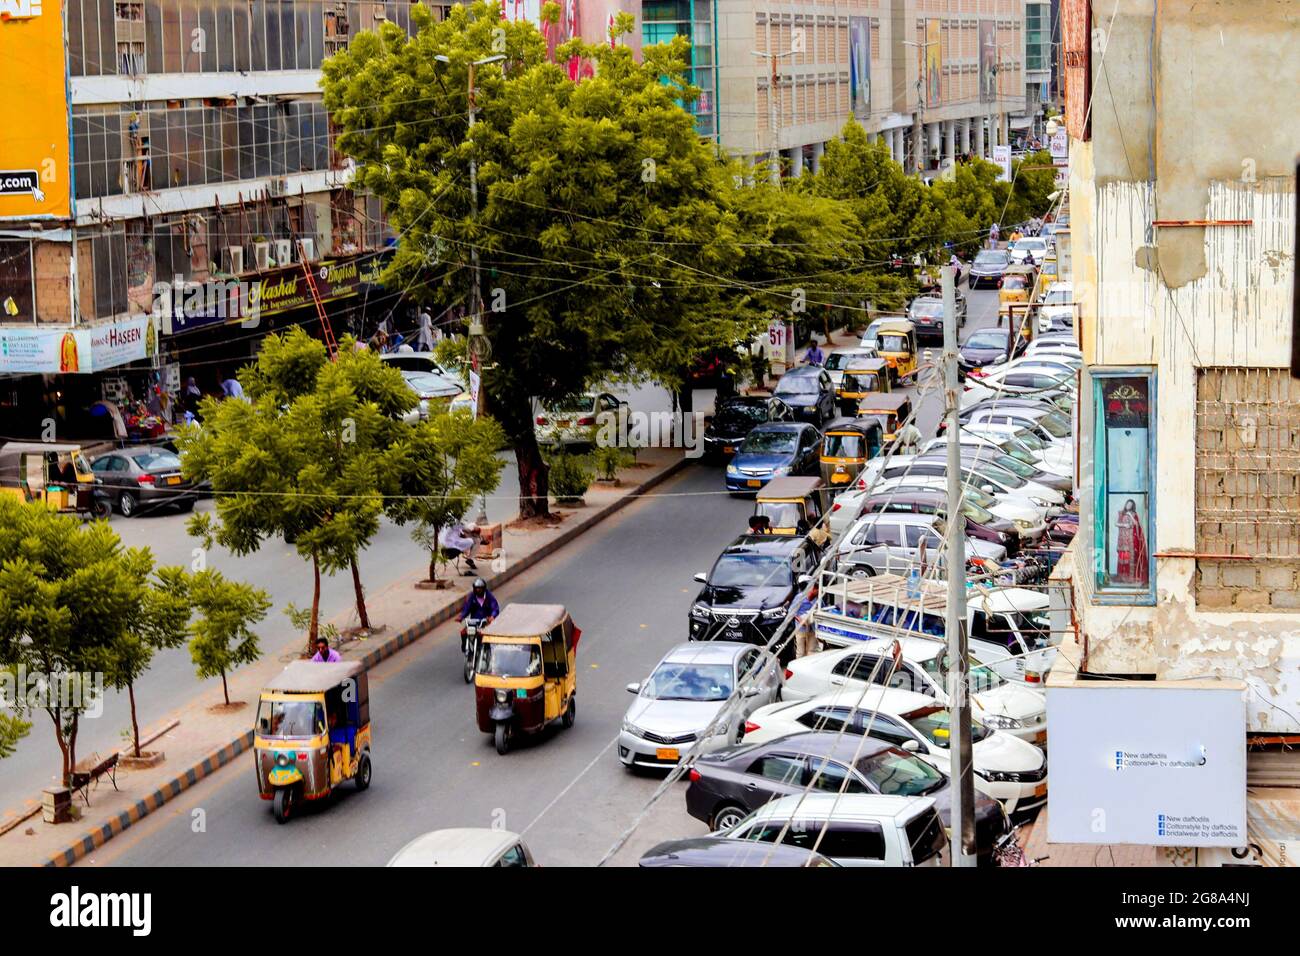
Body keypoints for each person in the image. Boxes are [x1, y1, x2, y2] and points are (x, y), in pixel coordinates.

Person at [457, 578, 499, 656]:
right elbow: (466, 608)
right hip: (474, 621)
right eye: (477, 588)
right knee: (463, 632)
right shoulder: (471, 597)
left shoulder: (489, 596)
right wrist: (461, 616)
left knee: (484, 636)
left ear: (484, 588)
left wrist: (492, 616)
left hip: (485, 622)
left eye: (480, 588)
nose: (478, 590)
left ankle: (486, 651)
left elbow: (495, 608)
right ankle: (466, 647)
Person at [794, 585, 821, 658]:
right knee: (801, 652)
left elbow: (822, 610)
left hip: (813, 629)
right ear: (812, 589)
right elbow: (792, 611)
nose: (818, 591)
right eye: (817, 590)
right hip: (801, 629)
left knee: (812, 651)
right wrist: (800, 620)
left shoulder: (818, 600)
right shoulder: (799, 597)